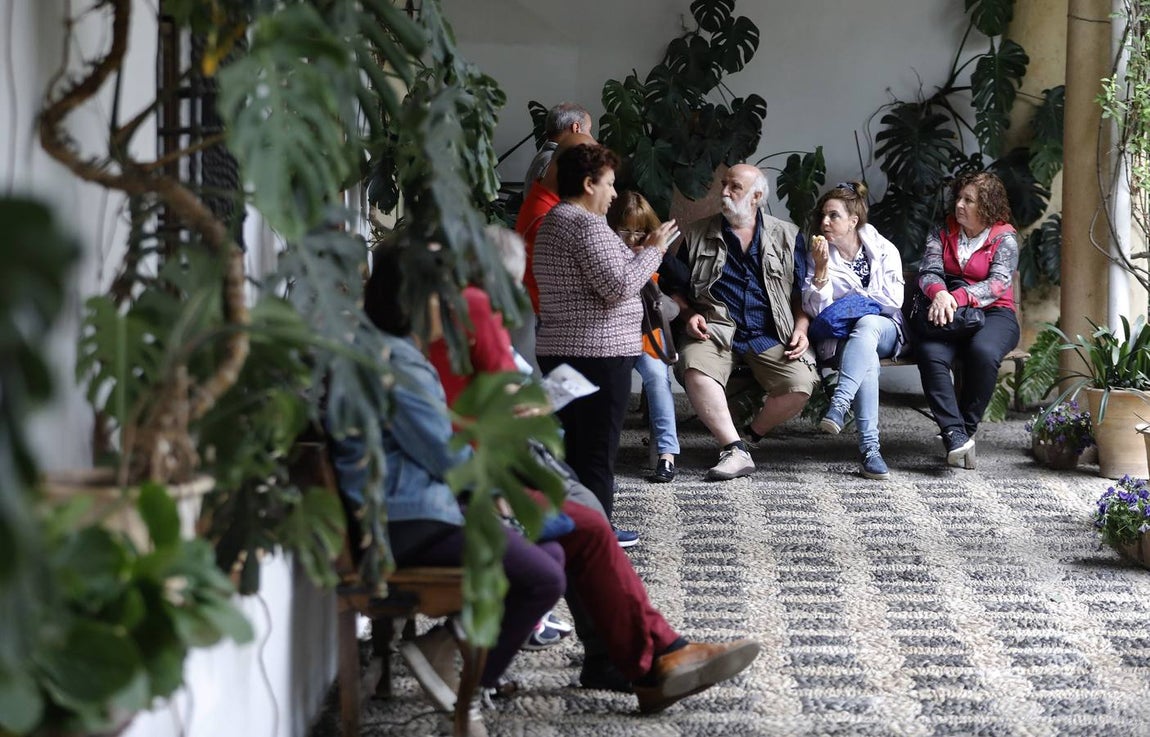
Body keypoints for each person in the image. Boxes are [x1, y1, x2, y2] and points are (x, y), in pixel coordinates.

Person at [373, 241, 762, 717]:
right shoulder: (413, 350)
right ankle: (652, 659)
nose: (453, 297)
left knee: (586, 521)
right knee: (586, 522)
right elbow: (445, 447)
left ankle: (655, 658)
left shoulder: (413, 345)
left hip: (469, 481)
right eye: (442, 288)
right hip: (452, 497)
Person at [326, 249, 566, 737]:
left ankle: (446, 648)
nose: (452, 310)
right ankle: (469, 692)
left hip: (406, 512)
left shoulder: (381, 352)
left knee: (553, 550)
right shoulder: (398, 365)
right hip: (406, 523)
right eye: (443, 298)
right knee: (544, 577)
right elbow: (447, 456)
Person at [533, 143, 679, 544]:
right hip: (598, 355)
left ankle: (572, 524)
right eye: (609, 184)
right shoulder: (584, 224)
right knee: (596, 450)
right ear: (588, 183)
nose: (614, 194)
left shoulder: (553, 221)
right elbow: (618, 286)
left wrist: (640, 254)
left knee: (572, 446)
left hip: (561, 350)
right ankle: (597, 532)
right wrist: (653, 252)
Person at [660, 163, 818, 481]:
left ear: (757, 196)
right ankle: (733, 448)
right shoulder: (696, 233)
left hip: (770, 330)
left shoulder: (787, 235)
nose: (725, 192)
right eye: (724, 185)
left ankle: (748, 437)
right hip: (715, 326)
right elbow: (673, 286)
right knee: (693, 365)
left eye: (735, 187)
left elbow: (801, 292)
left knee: (801, 383)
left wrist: (801, 328)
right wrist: (689, 315)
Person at [914, 171, 1020, 469]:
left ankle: (967, 427)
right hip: (946, 309)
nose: (959, 204)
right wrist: (939, 294)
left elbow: (997, 284)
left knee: (983, 352)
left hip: (995, 312)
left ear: (986, 206)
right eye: (958, 198)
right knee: (930, 352)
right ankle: (954, 434)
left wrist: (954, 297)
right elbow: (929, 270)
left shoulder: (1004, 238)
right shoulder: (942, 230)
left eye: (968, 200)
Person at [802, 181, 906, 480]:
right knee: (867, 361)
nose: (824, 222)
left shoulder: (884, 250)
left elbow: (892, 301)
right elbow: (818, 313)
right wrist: (821, 272)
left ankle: (839, 403)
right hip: (846, 342)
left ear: (853, 221)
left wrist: (853, 303)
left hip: (886, 331)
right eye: (823, 215)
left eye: (833, 216)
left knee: (869, 323)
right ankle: (870, 452)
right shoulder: (818, 255)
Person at [606, 191, 681, 483]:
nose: (633, 238)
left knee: (657, 377)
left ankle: (667, 454)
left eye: (640, 231)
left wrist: (656, 254)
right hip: (612, 333)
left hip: (649, 333)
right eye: (625, 230)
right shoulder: (605, 251)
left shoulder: (653, 250)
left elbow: (683, 281)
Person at [523, 102, 593, 185]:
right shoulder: (557, 163)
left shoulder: (545, 158)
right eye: (589, 130)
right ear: (576, 128)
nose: (591, 137)